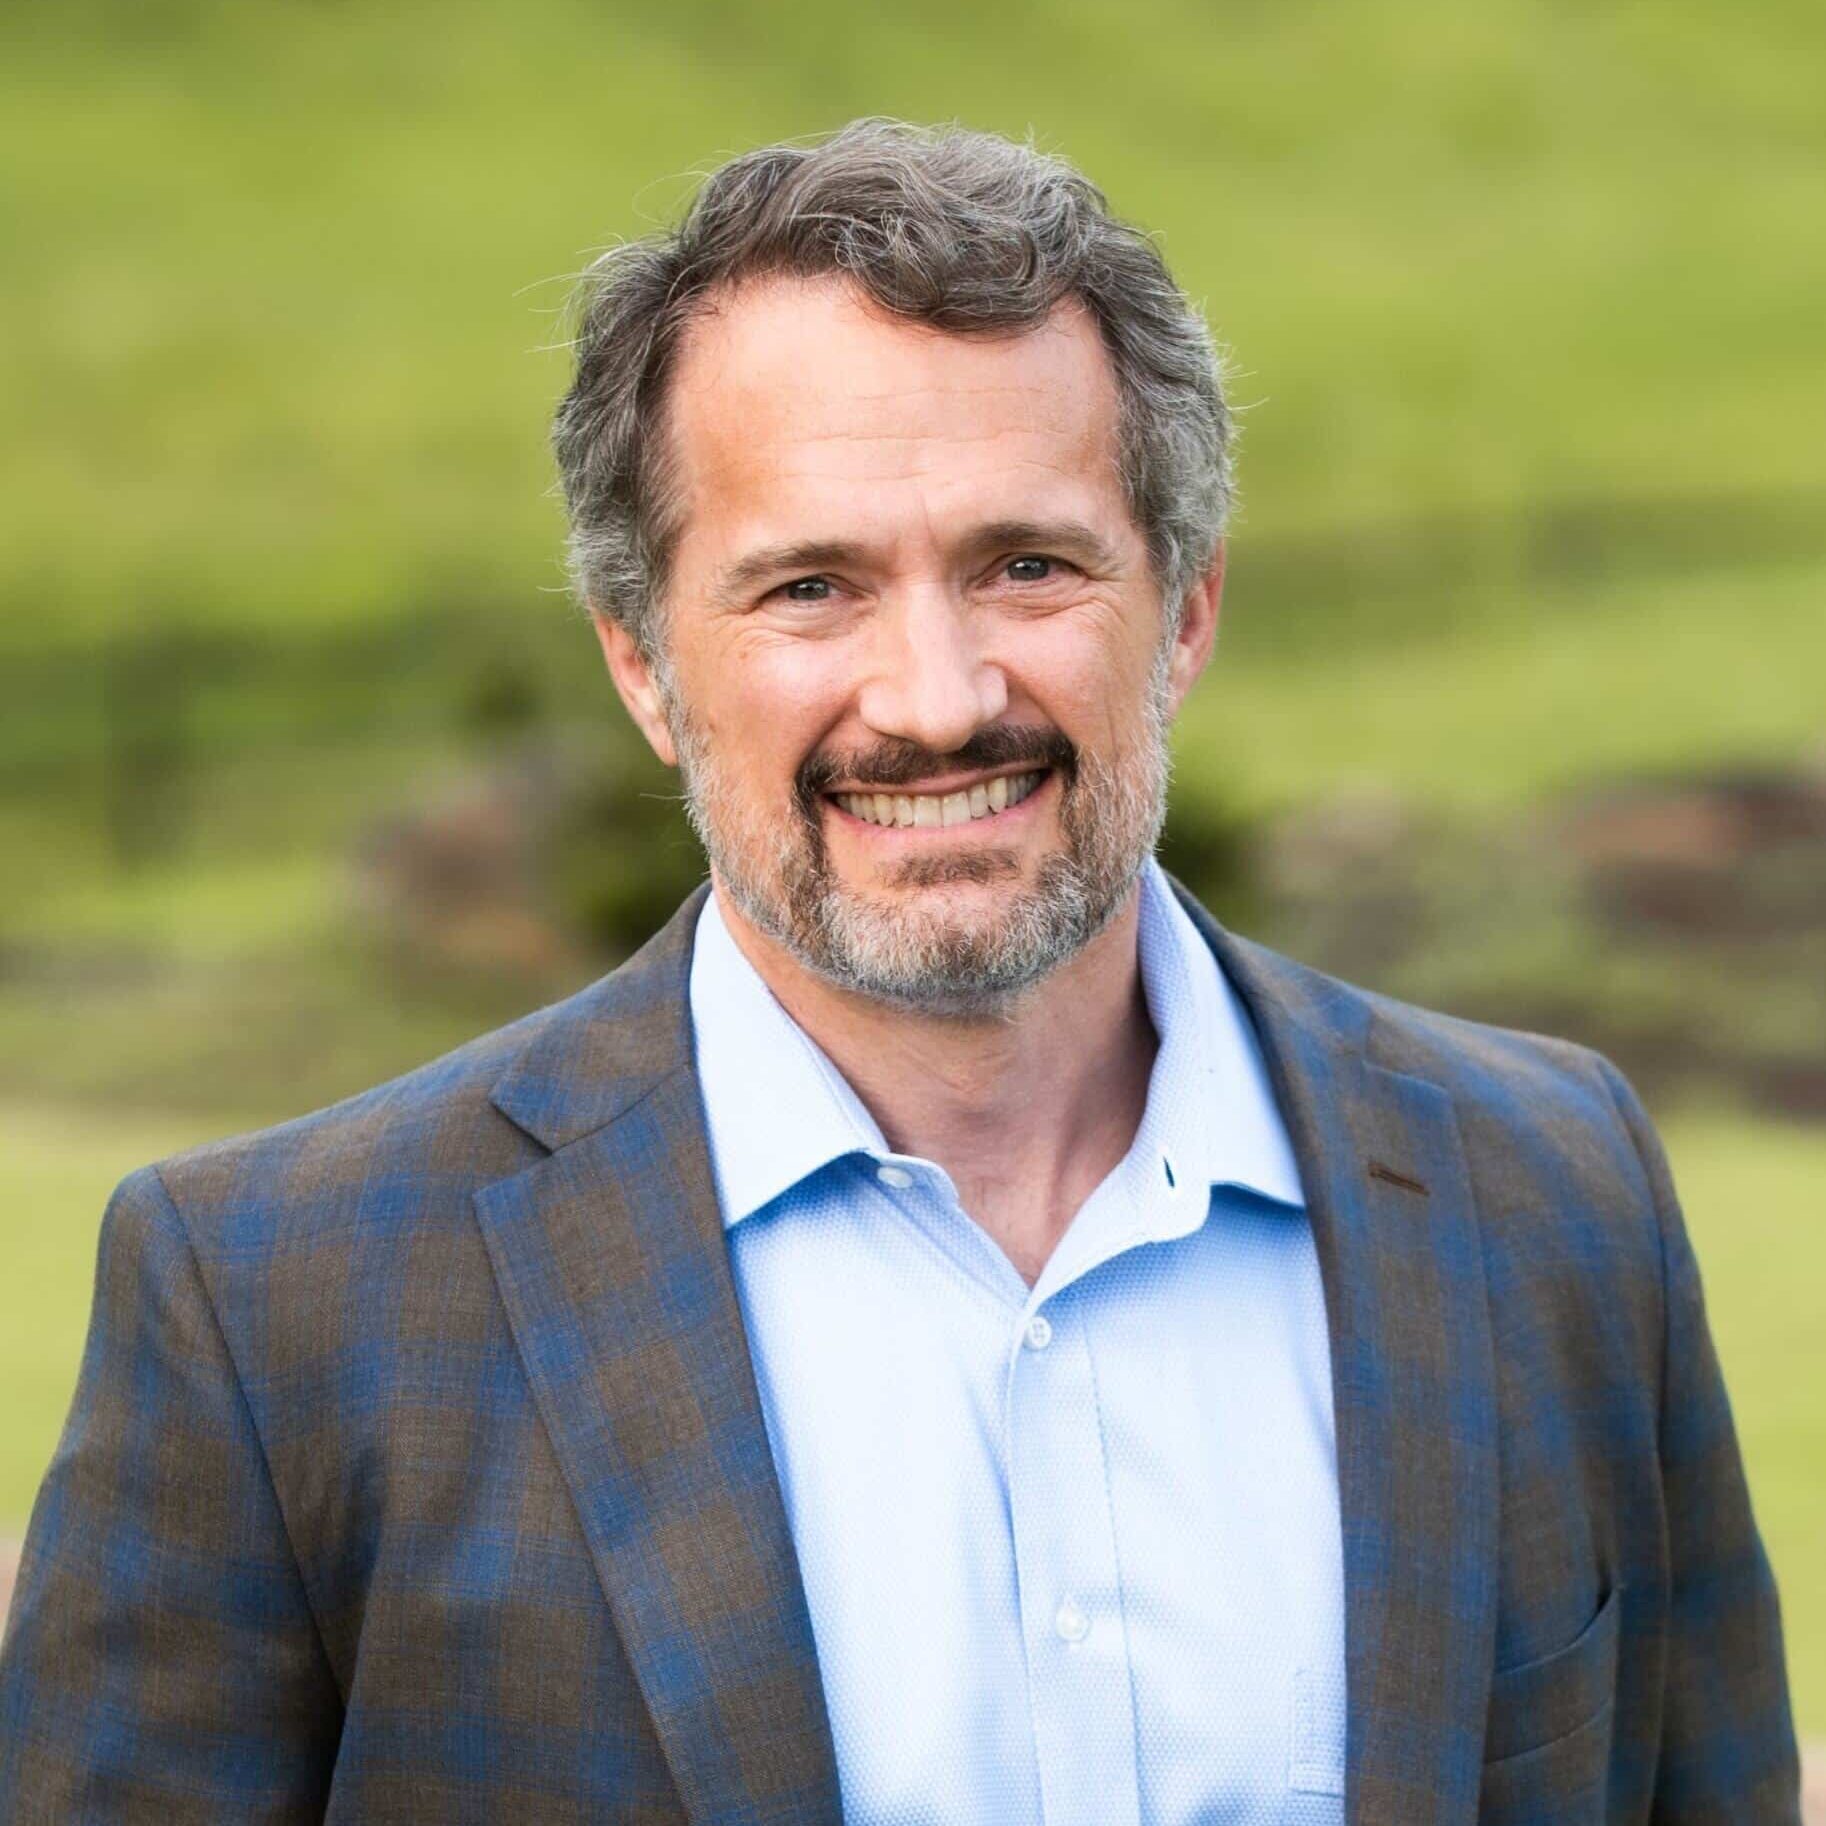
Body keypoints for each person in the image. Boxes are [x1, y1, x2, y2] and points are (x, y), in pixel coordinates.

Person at [0, 118, 1800, 1826]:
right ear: (642, 664)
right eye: (809, 589)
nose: (935, 698)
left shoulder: (1554, 1193)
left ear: (1180, 611)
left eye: (1027, 565)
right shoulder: (274, 1310)